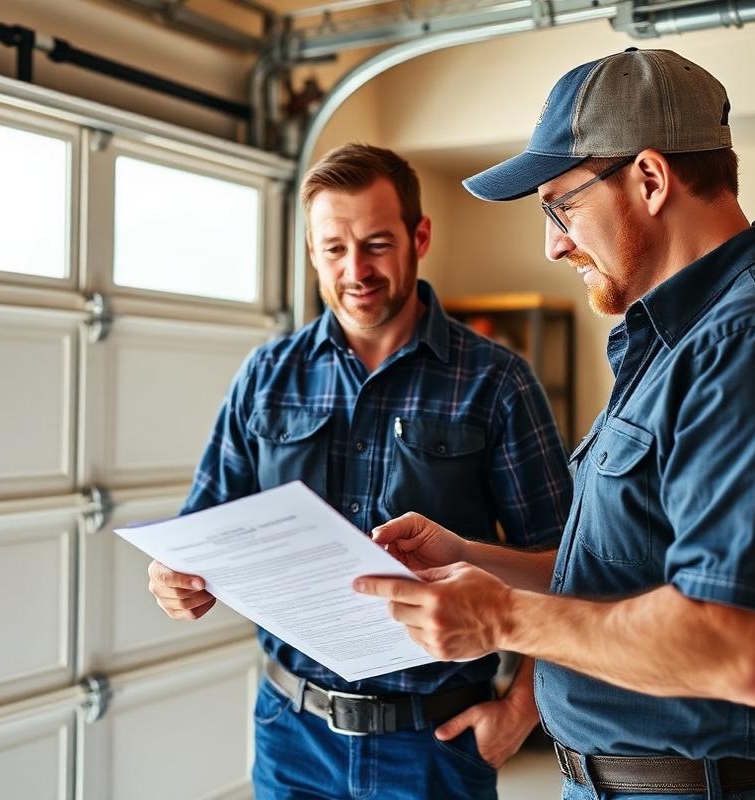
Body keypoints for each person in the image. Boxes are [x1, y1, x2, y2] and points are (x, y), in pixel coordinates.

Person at [354, 48, 755, 800]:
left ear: (650, 179)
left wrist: (503, 618)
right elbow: (634, 567)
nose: (553, 243)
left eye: (561, 205)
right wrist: (477, 561)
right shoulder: (679, 342)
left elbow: (744, 649)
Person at [147, 143, 573, 799]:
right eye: (334, 248)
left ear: (418, 237)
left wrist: (518, 713)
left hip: (434, 746)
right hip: (293, 740)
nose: (356, 270)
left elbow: (567, 568)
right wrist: (174, 579)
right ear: (312, 251)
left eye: (376, 245)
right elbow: (201, 532)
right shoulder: (266, 376)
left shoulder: (497, 383)